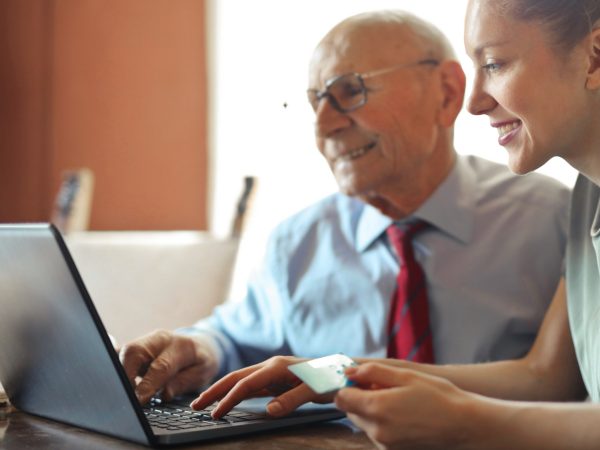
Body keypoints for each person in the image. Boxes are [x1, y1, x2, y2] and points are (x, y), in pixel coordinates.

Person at [191, 1, 600, 449]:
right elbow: (543, 377)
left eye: (494, 63)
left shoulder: (550, 213)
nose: (475, 102)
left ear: (594, 57)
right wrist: (337, 372)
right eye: (315, 102)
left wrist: (465, 421)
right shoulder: (587, 198)